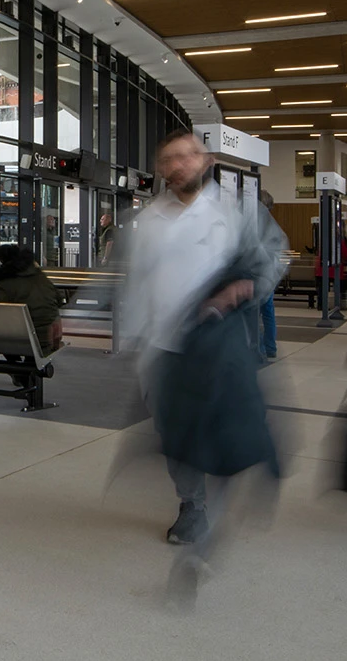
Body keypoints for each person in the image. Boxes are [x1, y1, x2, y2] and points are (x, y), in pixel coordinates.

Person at [115, 129, 287, 547]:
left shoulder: (235, 213)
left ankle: (222, 489)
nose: (177, 166)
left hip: (218, 349)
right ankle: (192, 504)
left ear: (206, 160)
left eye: (186, 156)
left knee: (218, 426)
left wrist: (246, 287)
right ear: (160, 167)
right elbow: (133, 280)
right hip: (161, 351)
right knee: (174, 434)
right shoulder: (148, 220)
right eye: (169, 159)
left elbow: (274, 256)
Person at [0, 242, 63, 356]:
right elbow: (59, 300)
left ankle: (16, 367)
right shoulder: (39, 275)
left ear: (2, 261)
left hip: (22, 339)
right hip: (48, 338)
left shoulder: (6, 284)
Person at [257, 190, 279, 361]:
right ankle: (270, 347)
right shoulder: (273, 226)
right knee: (268, 313)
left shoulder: (256, 225)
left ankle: (260, 349)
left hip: (258, 276)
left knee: (252, 315)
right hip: (270, 276)